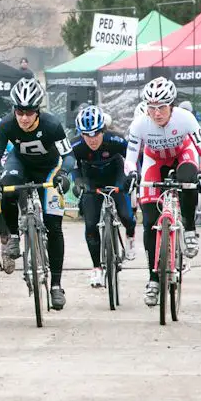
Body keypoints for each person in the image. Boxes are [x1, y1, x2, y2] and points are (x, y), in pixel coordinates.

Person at [124, 76, 201, 308]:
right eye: (152, 108)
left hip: (183, 156)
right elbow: (131, 159)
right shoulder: (139, 124)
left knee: (188, 179)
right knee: (150, 221)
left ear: (171, 105)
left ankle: (190, 229)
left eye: (162, 107)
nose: (156, 113)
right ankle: (153, 279)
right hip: (155, 162)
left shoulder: (186, 119)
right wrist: (132, 174)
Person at [0, 77, 72, 309]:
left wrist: (63, 174)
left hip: (49, 170)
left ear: (38, 111)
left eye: (29, 112)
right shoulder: (6, 125)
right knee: (6, 186)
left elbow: (69, 155)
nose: (24, 118)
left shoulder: (52, 125)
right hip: (21, 165)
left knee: (54, 226)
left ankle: (56, 285)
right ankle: (13, 237)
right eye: (19, 111)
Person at [71, 105, 136, 288]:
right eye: (87, 134)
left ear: (103, 130)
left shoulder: (116, 140)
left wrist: (131, 176)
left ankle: (130, 236)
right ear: (81, 134)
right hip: (91, 181)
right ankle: (97, 268)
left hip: (115, 176)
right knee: (90, 224)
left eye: (96, 134)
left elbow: (131, 159)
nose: (92, 139)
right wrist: (78, 182)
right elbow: (73, 166)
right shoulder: (76, 145)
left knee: (126, 216)